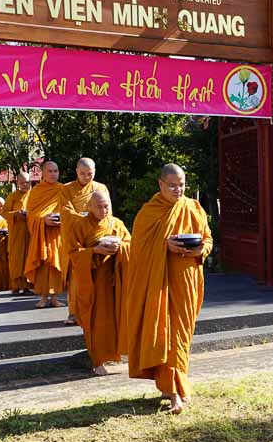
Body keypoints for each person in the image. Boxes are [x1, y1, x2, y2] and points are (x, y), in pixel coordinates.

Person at [124, 163, 212, 414]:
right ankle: (175, 393)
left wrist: (201, 249)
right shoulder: (148, 213)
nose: (178, 190)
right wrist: (164, 246)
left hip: (187, 282)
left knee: (181, 337)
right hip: (159, 286)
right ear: (160, 184)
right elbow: (137, 250)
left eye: (181, 185)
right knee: (167, 336)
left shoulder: (193, 207)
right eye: (172, 185)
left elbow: (207, 239)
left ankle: (175, 385)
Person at [66, 189, 130, 375]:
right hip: (92, 282)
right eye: (99, 207)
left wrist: (121, 247)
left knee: (116, 317)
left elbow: (131, 245)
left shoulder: (116, 223)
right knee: (95, 321)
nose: (103, 211)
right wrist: (95, 251)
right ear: (90, 206)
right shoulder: (80, 225)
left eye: (106, 206)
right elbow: (73, 253)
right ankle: (98, 361)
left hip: (114, 281)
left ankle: (115, 354)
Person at [59, 158, 110, 326]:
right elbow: (65, 212)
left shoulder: (101, 188)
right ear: (76, 171)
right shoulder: (67, 189)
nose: (86, 177)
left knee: (98, 276)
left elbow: (108, 211)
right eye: (82, 173)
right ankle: (74, 312)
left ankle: (96, 311)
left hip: (97, 235)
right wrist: (85, 219)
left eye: (90, 173)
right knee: (77, 277)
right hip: (78, 236)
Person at [25, 161, 66, 309]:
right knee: (43, 264)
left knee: (56, 264)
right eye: (50, 171)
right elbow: (30, 215)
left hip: (57, 233)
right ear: (43, 173)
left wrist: (62, 218)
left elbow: (68, 209)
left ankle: (55, 297)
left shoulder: (63, 189)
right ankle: (43, 297)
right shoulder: (36, 191)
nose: (53, 174)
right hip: (41, 234)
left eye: (56, 171)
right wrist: (43, 220)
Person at [6, 171, 32, 295]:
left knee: (29, 257)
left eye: (27, 182)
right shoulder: (12, 196)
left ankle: (27, 286)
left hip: (30, 232)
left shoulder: (35, 195)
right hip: (16, 233)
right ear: (17, 184)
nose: (25, 185)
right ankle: (15, 286)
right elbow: (4, 213)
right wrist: (15, 214)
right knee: (16, 259)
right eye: (22, 183)